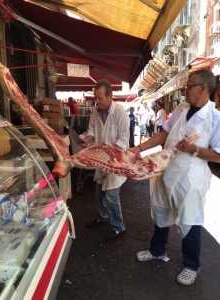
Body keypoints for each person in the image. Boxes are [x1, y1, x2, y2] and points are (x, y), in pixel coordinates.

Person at [130, 69, 220, 285]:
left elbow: (218, 154)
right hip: (167, 171)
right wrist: (139, 148)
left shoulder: (214, 117)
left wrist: (194, 149)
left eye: (189, 86)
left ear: (203, 88)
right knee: (160, 212)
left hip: (190, 177)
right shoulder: (181, 108)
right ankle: (157, 250)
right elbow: (164, 133)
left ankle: (192, 265)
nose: (185, 90)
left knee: (189, 220)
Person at [79, 79, 130, 241]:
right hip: (101, 158)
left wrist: (111, 151)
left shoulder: (120, 112)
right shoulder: (96, 111)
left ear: (110, 96)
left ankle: (119, 227)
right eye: (96, 98)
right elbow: (92, 129)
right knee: (98, 191)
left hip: (115, 159)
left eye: (100, 98)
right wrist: (86, 140)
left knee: (112, 194)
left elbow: (124, 137)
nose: (97, 101)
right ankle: (102, 216)